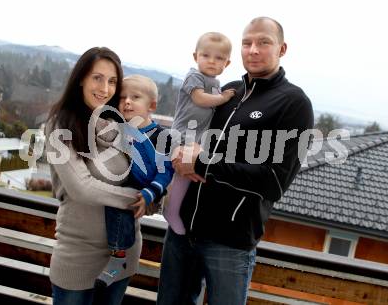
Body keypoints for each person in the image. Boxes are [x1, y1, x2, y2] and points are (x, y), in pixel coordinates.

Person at [157, 17, 314, 305]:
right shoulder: (228, 91)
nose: (253, 50)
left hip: (229, 243)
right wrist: (180, 153)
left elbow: (275, 182)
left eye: (263, 42)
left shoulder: (294, 104)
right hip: (182, 233)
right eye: (247, 43)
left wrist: (203, 163)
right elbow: (194, 133)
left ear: (282, 49)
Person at [45, 47, 144, 305]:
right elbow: (81, 188)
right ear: (81, 78)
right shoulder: (60, 126)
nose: (105, 88)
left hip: (122, 256)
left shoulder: (121, 127)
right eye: (97, 78)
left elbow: (144, 175)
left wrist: (153, 194)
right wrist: (138, 198)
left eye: (112, 81)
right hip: (78, 256)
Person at [94, 74, 174, 287]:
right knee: (112, 199)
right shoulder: (119, 128)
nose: (127, 101)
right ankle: (112, 253)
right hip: (122, 180)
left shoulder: (160, 135)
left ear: (152, 106)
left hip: (143, 186)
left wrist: (152, 192)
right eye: (122, 97)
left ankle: (117, 259)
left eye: (135, 97)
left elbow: (166, 170)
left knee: (119, 206)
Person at [164, 32, 235, 235]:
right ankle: (171, 210)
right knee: (183, 173)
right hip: (184, 133)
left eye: (219, 58)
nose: (212, 61)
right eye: (206, 56)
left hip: (198, 136)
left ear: (227, 63)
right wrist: (223, 98)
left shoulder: (215, 83)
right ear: (196, 57)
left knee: (191, 172)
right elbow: (200, 99)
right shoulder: (193, 76)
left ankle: (175, 207)